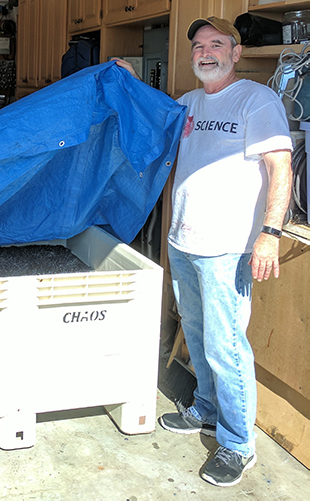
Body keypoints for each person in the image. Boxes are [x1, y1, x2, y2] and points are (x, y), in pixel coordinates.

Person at [116, 16, 293, 487]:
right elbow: (153, 122)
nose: (206, 51)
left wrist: (270, 233)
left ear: (236, 53)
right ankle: (206, 411)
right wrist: (129, 84)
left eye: (217, 44)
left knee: (227, 345)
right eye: (198, 45)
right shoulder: (189, 102)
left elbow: (281, 166)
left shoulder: (257, 99)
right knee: (196, 334)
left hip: (229, 248)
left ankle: (237, 445)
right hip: (185, 241)